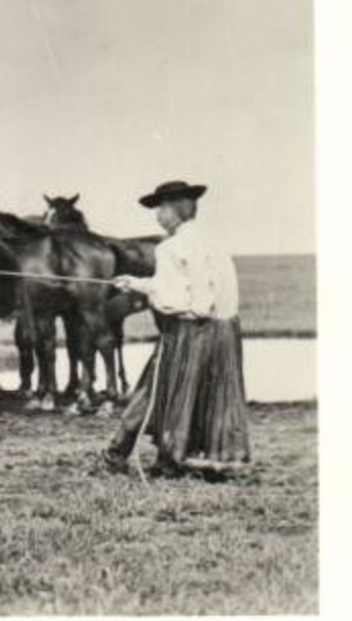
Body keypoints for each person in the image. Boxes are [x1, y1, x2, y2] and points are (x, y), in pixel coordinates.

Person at [101, 180, 249, 477]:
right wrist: (137, 283)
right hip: (224, 331)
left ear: (173, 210)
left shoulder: (170, 248)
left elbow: (176, 299)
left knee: (152, 388)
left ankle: (120, 454)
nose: (157, 216)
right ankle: (184, 459)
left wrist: (152, 294)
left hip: (189, 330)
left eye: (160, 209)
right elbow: (196, 287)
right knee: (202, 394)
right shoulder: (214, 243)